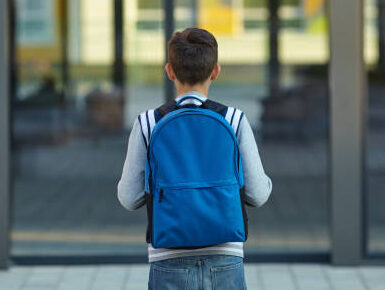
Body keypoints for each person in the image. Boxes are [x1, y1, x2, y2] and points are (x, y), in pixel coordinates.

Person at [117, 27, 272, 290]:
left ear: (169, 71)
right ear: (215, 71)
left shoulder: (147, 123)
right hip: (226, 255)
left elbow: (129, 197)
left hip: (168, 256)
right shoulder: (234, 120)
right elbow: (257, 194)